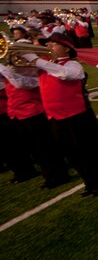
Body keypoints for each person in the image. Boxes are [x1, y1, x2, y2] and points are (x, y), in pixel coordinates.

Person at [23, 33, 98, 196]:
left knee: (89, 152)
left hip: (77, 116)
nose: (49, 47)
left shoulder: (72, 65)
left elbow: (65, 74)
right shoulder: (45, 66)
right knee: (71, 154)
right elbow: (22, 78)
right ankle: (89, 183)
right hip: (55, 117)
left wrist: (36, 60)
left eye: (53, 44)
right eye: (48, 44)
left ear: (66, 47)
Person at [0, 43, 70, 187]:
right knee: (34, 148)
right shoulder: (15, 67)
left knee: (45, 146)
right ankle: (48, 175)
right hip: (17, 112)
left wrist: (8, 71)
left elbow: (24, 84)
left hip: (33, 110)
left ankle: (58, 175)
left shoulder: (32, 68)